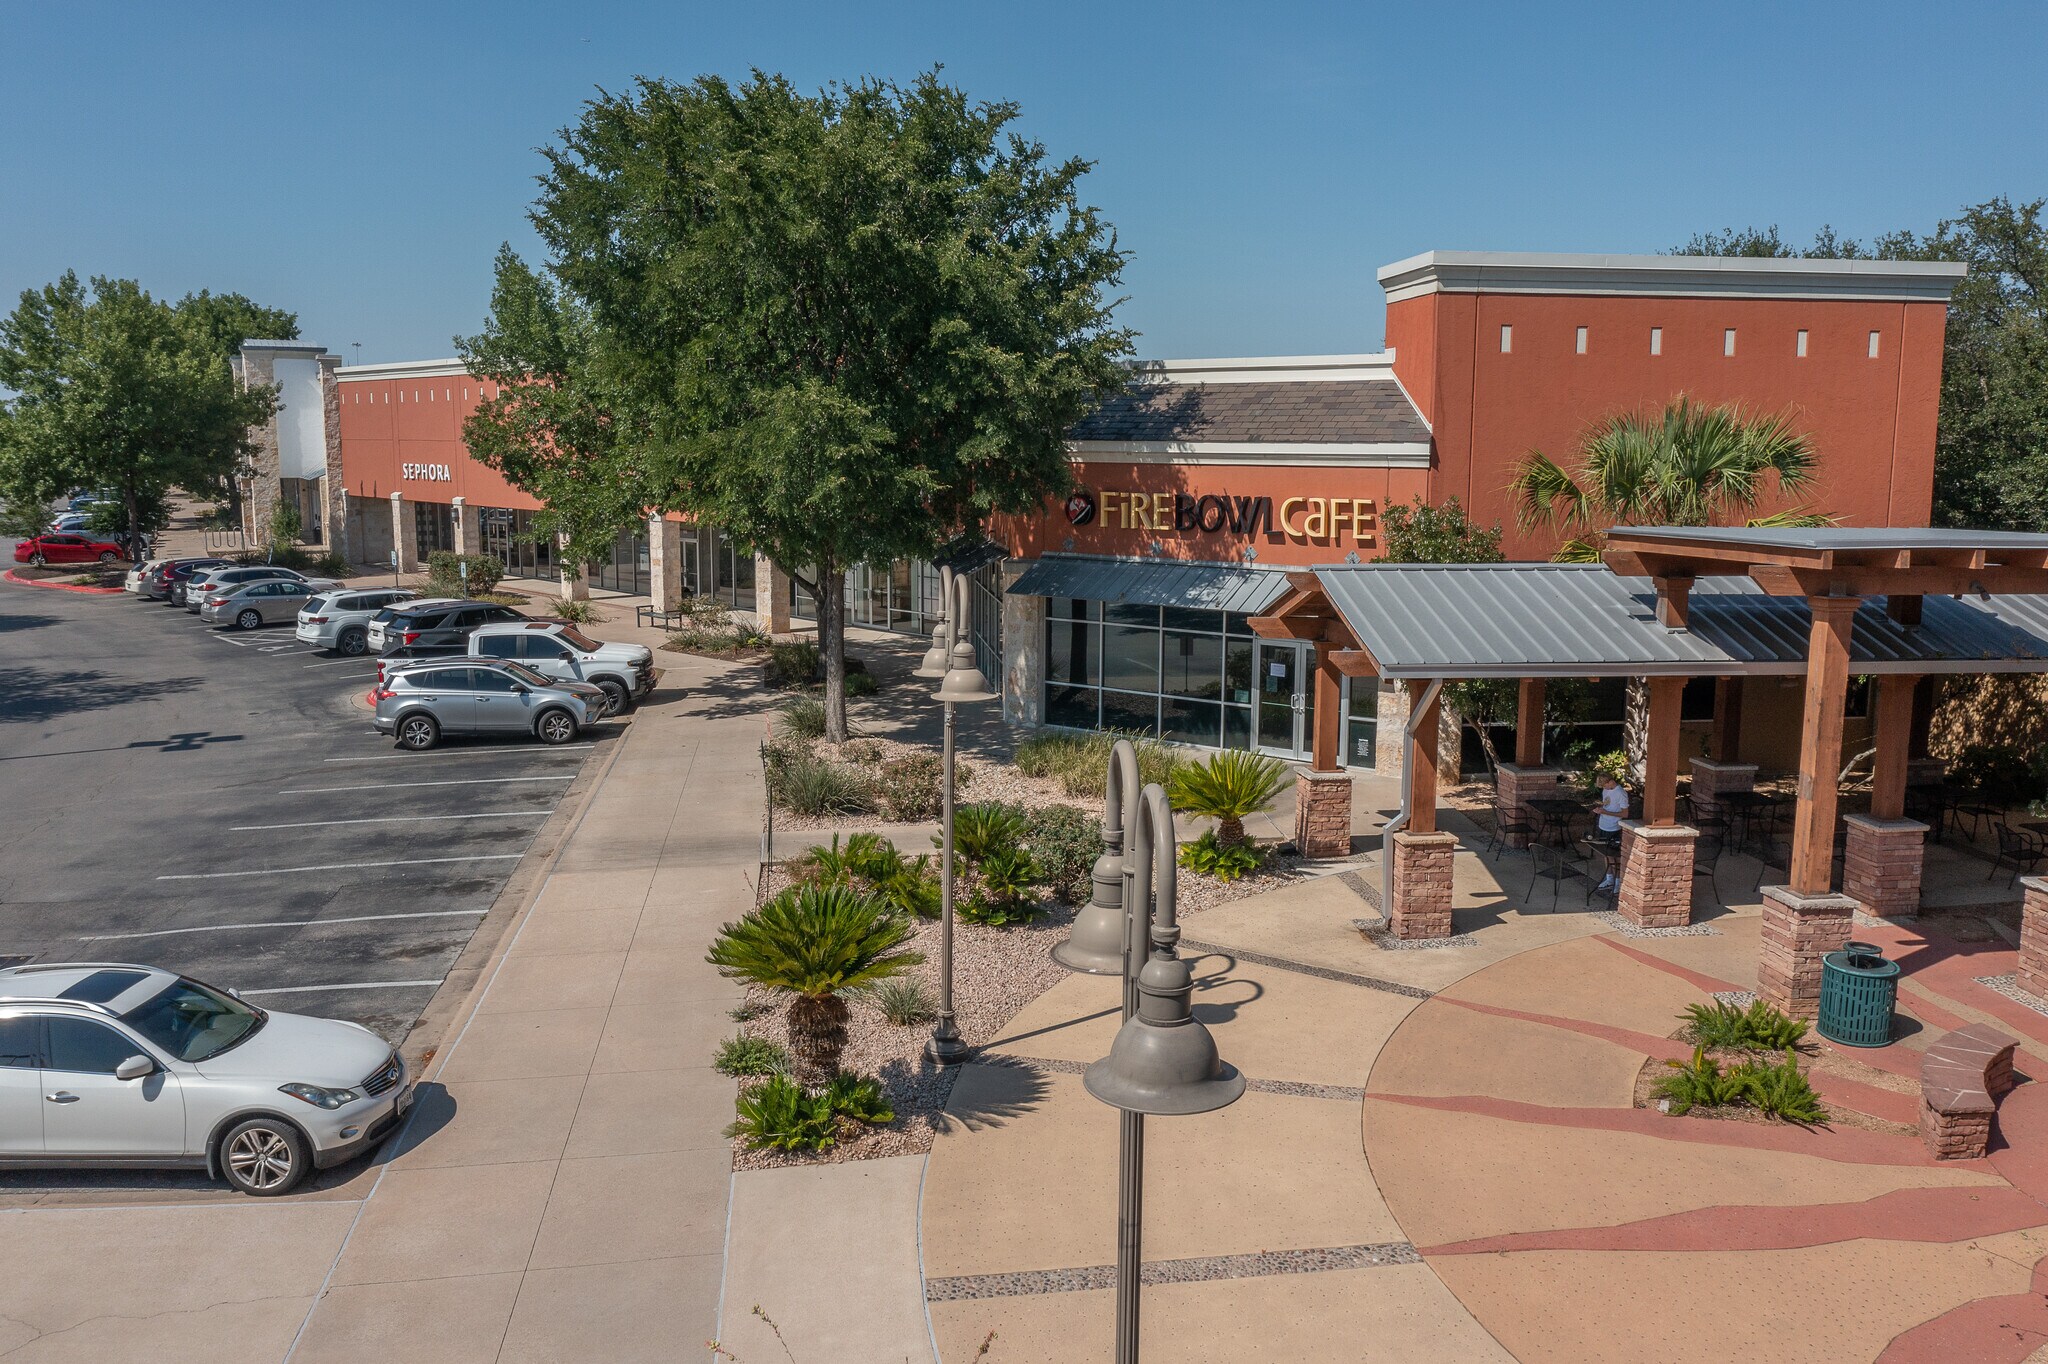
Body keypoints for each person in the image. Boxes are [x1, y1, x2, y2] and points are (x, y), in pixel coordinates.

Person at [1592, 774, 1630, 891]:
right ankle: (1609, 879)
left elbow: (1625, 814)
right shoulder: (1606, 790)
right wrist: (1601, 809)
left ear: (1610, 782)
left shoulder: (1621, 794)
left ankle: (1618, 881)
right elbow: (1607, 805)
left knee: (1615, 856)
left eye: (1605, 785)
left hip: (1613, 828)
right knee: (1606, 854)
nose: (1604, 788)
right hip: (1603, 825)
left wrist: (1605, 812)